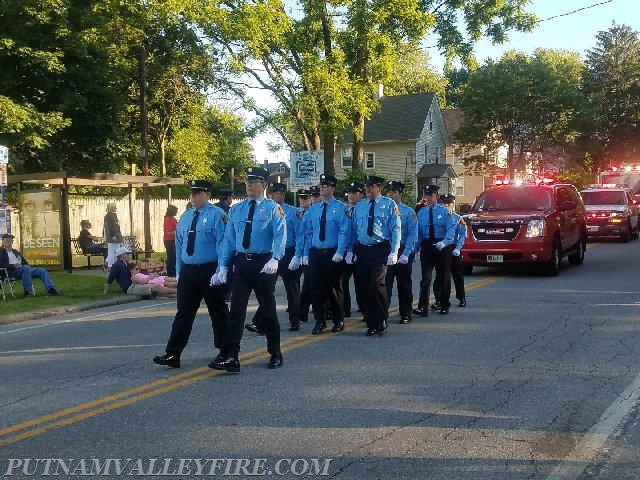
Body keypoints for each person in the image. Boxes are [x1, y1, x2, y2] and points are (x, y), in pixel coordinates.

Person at [209, 166, 286, 372]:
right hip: (242, 262)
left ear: (264, 185)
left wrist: (276, 258)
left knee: (268, 311)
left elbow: (280, 234)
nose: (249, 185)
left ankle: (275, 352)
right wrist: (223, 266)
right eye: (247, 182)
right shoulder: (237, 209)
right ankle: (231, 356)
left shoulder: (272, 208)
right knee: (236, 310)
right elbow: (229, 240)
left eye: (253, 181)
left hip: (263, 263)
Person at [152, 180, 230, 369]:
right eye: (191, 193)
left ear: (207, 195)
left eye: (198, 193)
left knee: (218, 311)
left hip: (209, 269)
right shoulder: (185, 217)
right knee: (184, 312)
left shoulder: (217, 215)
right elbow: (178, 246)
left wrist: (222, 268)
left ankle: (226, 351)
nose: (193, 197)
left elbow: (223, 244)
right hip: (188, 271)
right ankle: (173, 353)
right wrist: (178, 271)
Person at [346, 175, 400, 336]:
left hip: (380, 249)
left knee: (376, 284)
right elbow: (354, 230)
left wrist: (394, 251)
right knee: (363, 286)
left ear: (378, 187)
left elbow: (396, 229)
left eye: (370, 186)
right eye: (366, 186)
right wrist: (350, 250)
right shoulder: (360, 206)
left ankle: (382, 318)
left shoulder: (389, 204)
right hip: (363, 250)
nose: (367, 189)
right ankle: (371, 321)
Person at [246, 181, 303, 332]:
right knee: (266, 289)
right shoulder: (263, 210)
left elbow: (300, 235)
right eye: (272, 194)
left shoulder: (293, 212)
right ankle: (260, 322)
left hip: (288, 253)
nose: (274, 196)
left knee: (292, 288)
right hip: (270, 255)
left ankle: (295, 320)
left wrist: (298, 256)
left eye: (278, 193)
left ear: (283, 195)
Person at [302, 174, 350, 335]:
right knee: (316, 288)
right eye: (321, 186)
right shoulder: (314, 208)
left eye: (326, 186)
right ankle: (319, 320)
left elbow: (344, 231)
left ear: (332, 188)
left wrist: (341, 251)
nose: (322, 188)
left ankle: (338, 319)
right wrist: (306, 253)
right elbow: (308, 231)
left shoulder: (340, 207)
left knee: (334, 287)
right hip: (316, 252)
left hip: (333, 252)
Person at [414, 185, 457, 316]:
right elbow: (419, 232)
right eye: (426, 196)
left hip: (442, 245)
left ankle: (444, 304)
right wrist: (416, 247)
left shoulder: (445, 211)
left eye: (431, 196)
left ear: (436, 197)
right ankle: (423, 306)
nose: (428, 199)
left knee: (443, 275)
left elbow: (451, 228)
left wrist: (445, 242)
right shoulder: (421, 213)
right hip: (427, 245)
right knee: (425, 277)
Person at [384, 181, 418, 324]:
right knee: (385, 284)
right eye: (389, 192)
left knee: (404, 284)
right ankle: (382, 313)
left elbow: (413, 235)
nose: (391, 195)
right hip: (387, 249)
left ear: (400, 194)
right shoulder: (383, 210)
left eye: (394, 192)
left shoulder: (409, 212)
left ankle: (405, 313)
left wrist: (406, 254)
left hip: (403, 250)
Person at [341, 181, 365, 317]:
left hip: (361, 248)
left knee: (361, 281)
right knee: (343, 280)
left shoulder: (365, 208)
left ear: (360, 194)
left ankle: (364, 307)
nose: (351, 195)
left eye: (354, 192)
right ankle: (345, 308)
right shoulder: (345, 210)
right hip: (346, 250)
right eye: (349, 193)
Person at [293, 189, 314, 324]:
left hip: (310, 252)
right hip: (295, 252)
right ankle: (296, 308)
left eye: (306, 198)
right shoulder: (294, 213)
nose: (303, 200)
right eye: (301, 198)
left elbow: (309, 235)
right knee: (294, 283)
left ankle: (303, 312)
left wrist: (305, 253)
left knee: (308, 284)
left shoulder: (313, 212)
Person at [443, 194, 468, 307]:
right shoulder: (440, 217)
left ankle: (461, 297)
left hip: (454, 248)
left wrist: (458, 248)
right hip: (443, 247)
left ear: (453, 205)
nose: (446, 206)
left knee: (457, 274)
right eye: (444, 204)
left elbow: (462, 235)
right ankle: (441, 300)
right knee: (443, 275)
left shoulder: (458, 218)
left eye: (449, 204)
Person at [103, 203, 123, 268]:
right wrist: (113, 236)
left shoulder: (113, 215)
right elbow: (111, 227)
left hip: (114, 236)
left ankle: (107, 264)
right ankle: (110, 266)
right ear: (110, 208)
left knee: (116, 251)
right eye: (114, 207)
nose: (115, 208)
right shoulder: (109, 216)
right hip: (112, 237)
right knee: (113, 252)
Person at [163, 205, 179, 277]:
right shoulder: (167, 220)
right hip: (169, 241)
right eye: (176, 211)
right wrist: (178, 232)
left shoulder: (174, 219)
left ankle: (174, 272)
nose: (177, 212)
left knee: (174, 257)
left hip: (174, 240)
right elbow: (169, 232)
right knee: (171, 257)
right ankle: (170, 273)